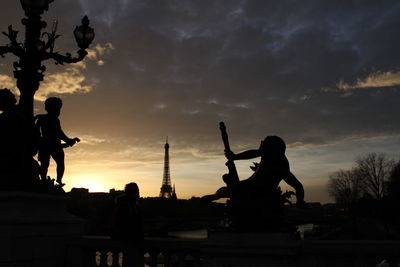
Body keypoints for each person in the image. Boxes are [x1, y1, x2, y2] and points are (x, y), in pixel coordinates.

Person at [225, 135, 306, 207]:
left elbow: (298, 186)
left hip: (260, 194)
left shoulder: (281, 166)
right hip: (250, 185)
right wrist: (234, 157)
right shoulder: (267, 156)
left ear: (271, 150)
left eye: (264, 144)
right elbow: (254, 153)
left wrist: (300, 203)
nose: (261, 143)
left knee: (230, 191)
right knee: (228, 190)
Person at [35, 97, 79, 185]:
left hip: (51, 145)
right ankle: (47, 179)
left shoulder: (45, 118)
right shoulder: (44, 119)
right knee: (48, 164)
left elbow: (59, 132)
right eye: (57, 109)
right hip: (49, 145)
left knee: (55, 163)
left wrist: (68, 140)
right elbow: (58, 133)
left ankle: (57, 180)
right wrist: (68, 141)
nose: (58, 112)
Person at [109, 182, 144, 266]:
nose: (138, 193)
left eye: (138, 191)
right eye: (136, 191)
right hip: (129, 241)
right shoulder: (127, 206)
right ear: (130, 193)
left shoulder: (131, 205)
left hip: (131, 241)